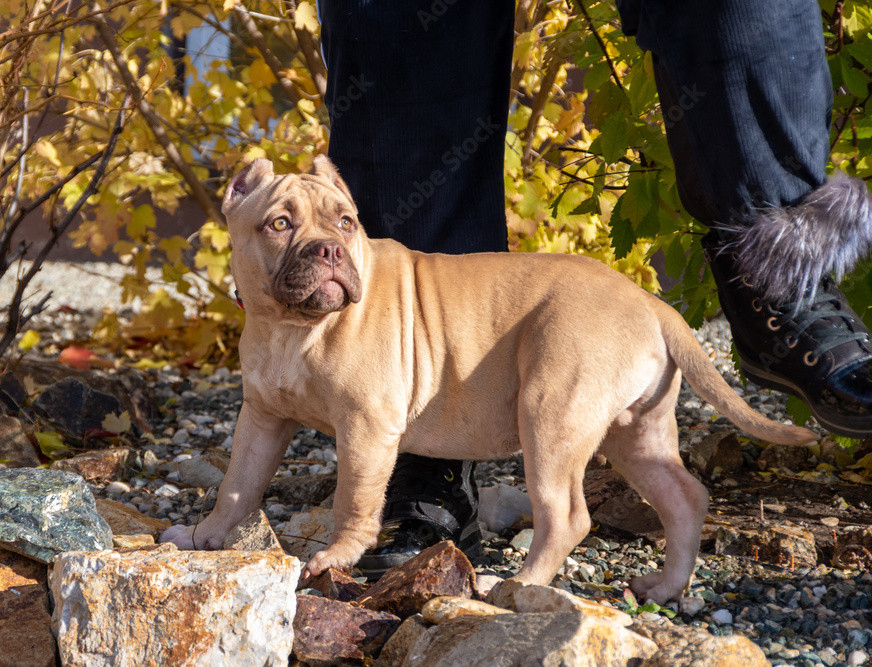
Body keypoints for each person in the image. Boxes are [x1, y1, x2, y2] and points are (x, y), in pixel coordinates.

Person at [318, 0, 872, 577]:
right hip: (498, 324)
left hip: (600, 328)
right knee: (410, 35)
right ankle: (422, 433)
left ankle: (782, 269)